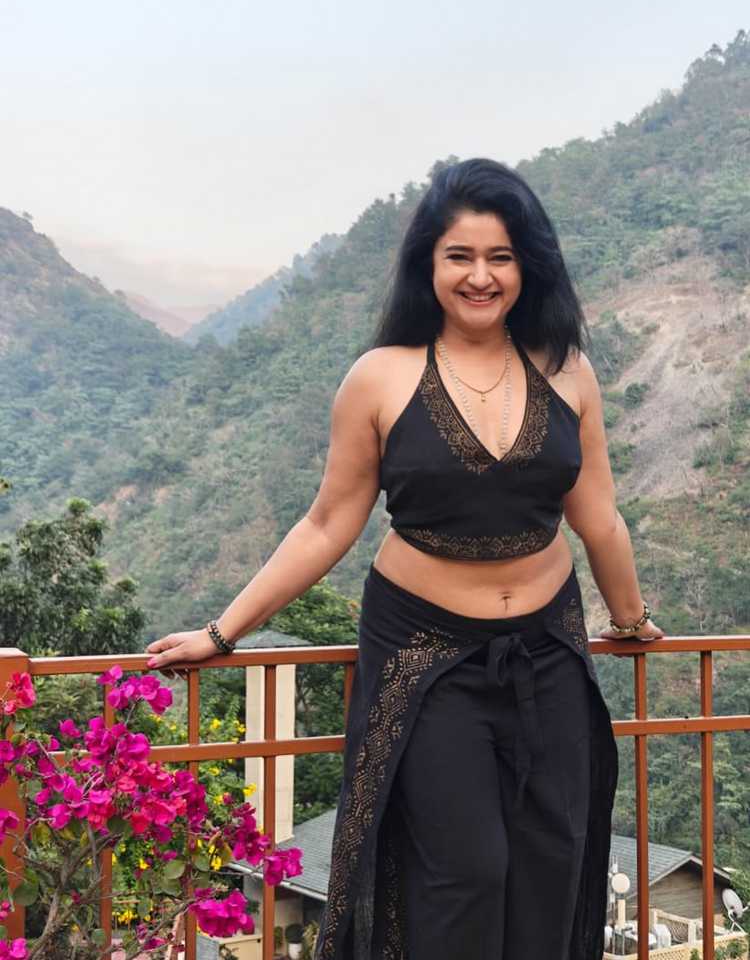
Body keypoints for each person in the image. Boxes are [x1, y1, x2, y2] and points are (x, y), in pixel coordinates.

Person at [145, 158, 665, 960]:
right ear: (429, 264)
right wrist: (222, 633)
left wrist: (629, 619)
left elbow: (599, 519)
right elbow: (326, 524)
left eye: (501, 257)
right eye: (461, 256)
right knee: (464, 872)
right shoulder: (381, 377)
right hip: (425, 656)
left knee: (549, 859)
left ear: (528, 265)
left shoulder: (569, 371)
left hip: (549, 650)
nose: (481, 276)